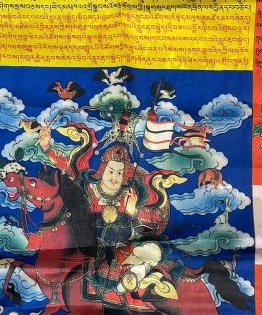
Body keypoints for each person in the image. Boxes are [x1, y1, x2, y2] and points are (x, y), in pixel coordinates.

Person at [37, 125, 173, 305]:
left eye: (119, 173)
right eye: (111, 171)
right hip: (93, 246)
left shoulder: (130, 194)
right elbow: (68, 168)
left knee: (152, 251)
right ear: (102, 170)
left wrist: (134, 211)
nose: (114, 178)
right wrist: (47, 147)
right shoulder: (90, 189)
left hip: (125, 249)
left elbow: (154, 218)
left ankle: (133, 283)